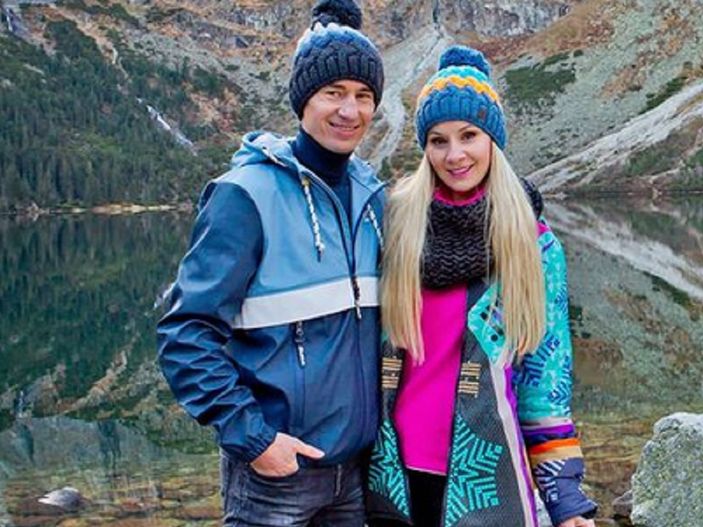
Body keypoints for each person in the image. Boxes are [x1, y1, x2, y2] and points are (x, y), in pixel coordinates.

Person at [156, 0, 384, 524]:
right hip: (274, 478)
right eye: (333, 92)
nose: (349, 111)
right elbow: (185, 333)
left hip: (353, 475)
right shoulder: (245, 195)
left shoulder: (372, 198)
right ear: (304, 100)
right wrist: (254, 439)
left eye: (363, 95)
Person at [366, 45, 597, 527]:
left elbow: (545, 380)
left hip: (487, 478)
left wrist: (565, 499)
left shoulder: (534, 244)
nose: (454, 155)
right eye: (438, 140)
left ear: (493, 138)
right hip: (390, 477)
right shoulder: (397, 225)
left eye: (468, 135)